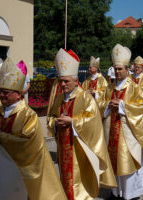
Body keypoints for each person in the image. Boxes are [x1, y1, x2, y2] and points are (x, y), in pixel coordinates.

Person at [0, 57, 67, 200]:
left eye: (7, 92)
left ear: (18, 94)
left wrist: (2, 137)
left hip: (18, 173)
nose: (2, 95)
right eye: (1, 91)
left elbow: (29, 145)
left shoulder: (28, 116)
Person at [47, 48, 117, 200]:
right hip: (63, 147)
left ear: (75, 80)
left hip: (79, 149)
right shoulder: (59, 99)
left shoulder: (85, 98)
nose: (63, 84)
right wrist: (55, 123)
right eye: (61, 81)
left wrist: (72, 122)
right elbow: (50, 117)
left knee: (78, 181)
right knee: (65, 177)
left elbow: (93, 120)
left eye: (66, 81)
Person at [98, 44, 143, 200]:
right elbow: (99, 104)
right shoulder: (109, 87)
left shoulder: (135, 87)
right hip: (111, 130)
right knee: (114, 162)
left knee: (128, 162)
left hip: (129, 132)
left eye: (120, 69)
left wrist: (120, 105)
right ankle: (116, 191)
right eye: (115, 69)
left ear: (127, 69)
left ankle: (130, 194)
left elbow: (141, 107)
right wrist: (106, 105)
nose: (117, 72)